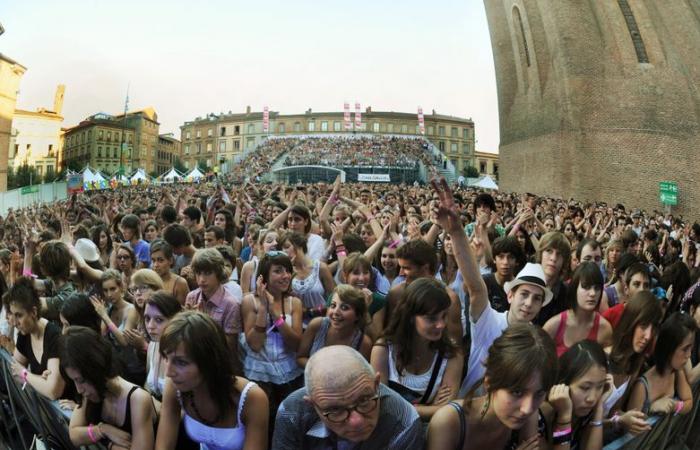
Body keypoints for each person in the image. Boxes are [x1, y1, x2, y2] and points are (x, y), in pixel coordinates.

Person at [427, 323, 558, 450]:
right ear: (489, 381)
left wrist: (565, 419)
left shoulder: (529, 414)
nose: (527, 409)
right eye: (517, 392)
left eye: (539, 393)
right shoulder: (449, 421)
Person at [273, 345, 424, 449]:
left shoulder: (404, 421)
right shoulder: (291, 412)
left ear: (376, 384)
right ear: (312, 405)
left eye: (364, 400)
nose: (356, 422)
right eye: (335, 410)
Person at [156, 311, 269, 450]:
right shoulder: (174, 385)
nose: (168, 372)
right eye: (166, 358)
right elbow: (163, 446)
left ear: (210, 361)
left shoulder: (252, 398)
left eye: (181, 362)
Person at [371, 278, 463, 420]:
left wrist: (399, 405)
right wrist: (429, 408)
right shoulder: (383, 350)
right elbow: (380, 405)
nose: (441, 325)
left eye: (444, 316)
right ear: (410, 316)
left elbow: (446, 411)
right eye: (431, 318)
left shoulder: (452, 355)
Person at [61, 326, 155, 450]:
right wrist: (103, 431)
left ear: (95, 370)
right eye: (74, 381)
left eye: (81, 380)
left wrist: (106, 443)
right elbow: (74, 434)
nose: (79, 389)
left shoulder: (137, 399)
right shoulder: (91, 392)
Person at [239, 251, 304, 423]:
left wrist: (275, 315)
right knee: (262, 423)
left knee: (289, 421)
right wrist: (263, 308)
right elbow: (255, 344)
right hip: (259, 374)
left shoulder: (294, 303)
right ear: (263, 276)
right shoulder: (248, 301)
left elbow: (295, 343)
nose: (286, 276)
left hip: (290, 373)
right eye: (278, 271)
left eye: (288, 271)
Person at [603, 291, 661, 436]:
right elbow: (582, 422)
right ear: (630, 321)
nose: (648, 336)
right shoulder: (602, 360)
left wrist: (636, 418)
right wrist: (619, 420)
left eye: (653, 328)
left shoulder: (634, 363)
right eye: (643, 325)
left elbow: (613, 411)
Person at [543, 341, 611, 450]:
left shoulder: (587, 412)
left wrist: (599, 409)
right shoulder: (542, 416)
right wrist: (564, 416)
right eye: (585, 388)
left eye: (599, 386)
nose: (592, 399)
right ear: (564, 383)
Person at [627, 312, 694, 416]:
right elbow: (630, 429)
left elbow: (689, 402)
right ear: (669, 348)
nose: (689, 355)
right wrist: (650, 410)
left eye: (691, 348)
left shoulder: (676, 372)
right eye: (685, 349)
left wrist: (673, 406)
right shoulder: (642, 386)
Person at [9, 277, 66, 400]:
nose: (14, 322)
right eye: (12, 315)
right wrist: (39, 379)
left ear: (34, 312)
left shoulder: (54, 337)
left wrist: (25, 373)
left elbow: (53, 391)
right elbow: (14, 371)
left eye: (19, 315)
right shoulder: (24, 334)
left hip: (65, 416)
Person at [543, 262, 613, 357]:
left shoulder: (605, 329)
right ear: (574, 288)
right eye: (586, 287)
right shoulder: (553, 326)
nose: (592, 293)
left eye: (597, 288)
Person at [297, 284, 372, 367]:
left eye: (344, 308)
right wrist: (320, 369)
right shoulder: (317, 325)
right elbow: (300, 358)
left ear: (357, 315)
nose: (336, 312)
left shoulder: (364, 343)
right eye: (333, 305)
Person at [184, 248, 242, 355]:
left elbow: (230, 347)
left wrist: (203, 323)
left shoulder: (231, 304)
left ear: (218, 273)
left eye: (207, 273)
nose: (202, 279)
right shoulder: (192, 297)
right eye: (198, 273)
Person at [279, 232, 335, 323]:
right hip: (296, 326)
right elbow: (282, 301)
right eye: (281, 249)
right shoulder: (286, 273)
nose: (284, 251)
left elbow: (334, 300)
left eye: (287, 246)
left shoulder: (320, 268)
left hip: (321, 323)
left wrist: (311, 311)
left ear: (299, 246)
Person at [144, 292, 182, 406]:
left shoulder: (184, 353)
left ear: (175, 319)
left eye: (159, 320)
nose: (150, 326)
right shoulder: (153, 345)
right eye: (147, 318)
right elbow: (147, 385)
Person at [150, 239, 189, 305]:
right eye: (153, 260)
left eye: (160, 260)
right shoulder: (149, 281)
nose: (156, 265)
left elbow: (183, 312)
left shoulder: (180, 283)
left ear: (170, 260)